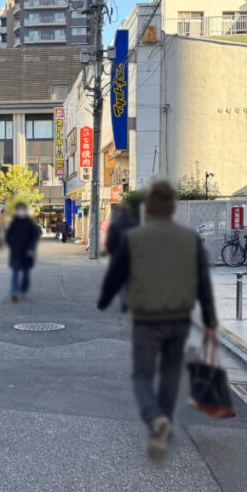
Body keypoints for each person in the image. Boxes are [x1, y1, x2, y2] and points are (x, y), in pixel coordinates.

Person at [97, 181, 218, 461]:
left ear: (149, 210)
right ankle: (164, 418)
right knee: (171, 372)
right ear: (172, 209)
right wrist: (210, 318)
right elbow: (202, 282)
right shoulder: (189, 239)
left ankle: (154, 419)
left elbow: (116, 274)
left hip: (147, 318)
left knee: (142, 373)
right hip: (179, 318)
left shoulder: (136, 238)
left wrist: (103, 302)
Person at [105, 203, 136, 312]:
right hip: (133, 256)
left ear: (120, 213)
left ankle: (125, 302)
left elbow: (110, 243)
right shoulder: (135, 224)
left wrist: (112, 253)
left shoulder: (115, 225)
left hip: (118, 257)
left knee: (121, 280)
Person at [6, 204, 40, 302]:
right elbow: (8, 236)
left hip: (27, 252)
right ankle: (15, 292)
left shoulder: (30, 223)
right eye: (19, 210)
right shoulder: (14, 222)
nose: (21, 212)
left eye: (22, 210)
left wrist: (31, 248)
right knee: (15, 272)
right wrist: (12, 245)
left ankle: (24, 288)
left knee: (26, 273)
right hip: (16, 252)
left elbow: (35, 237)